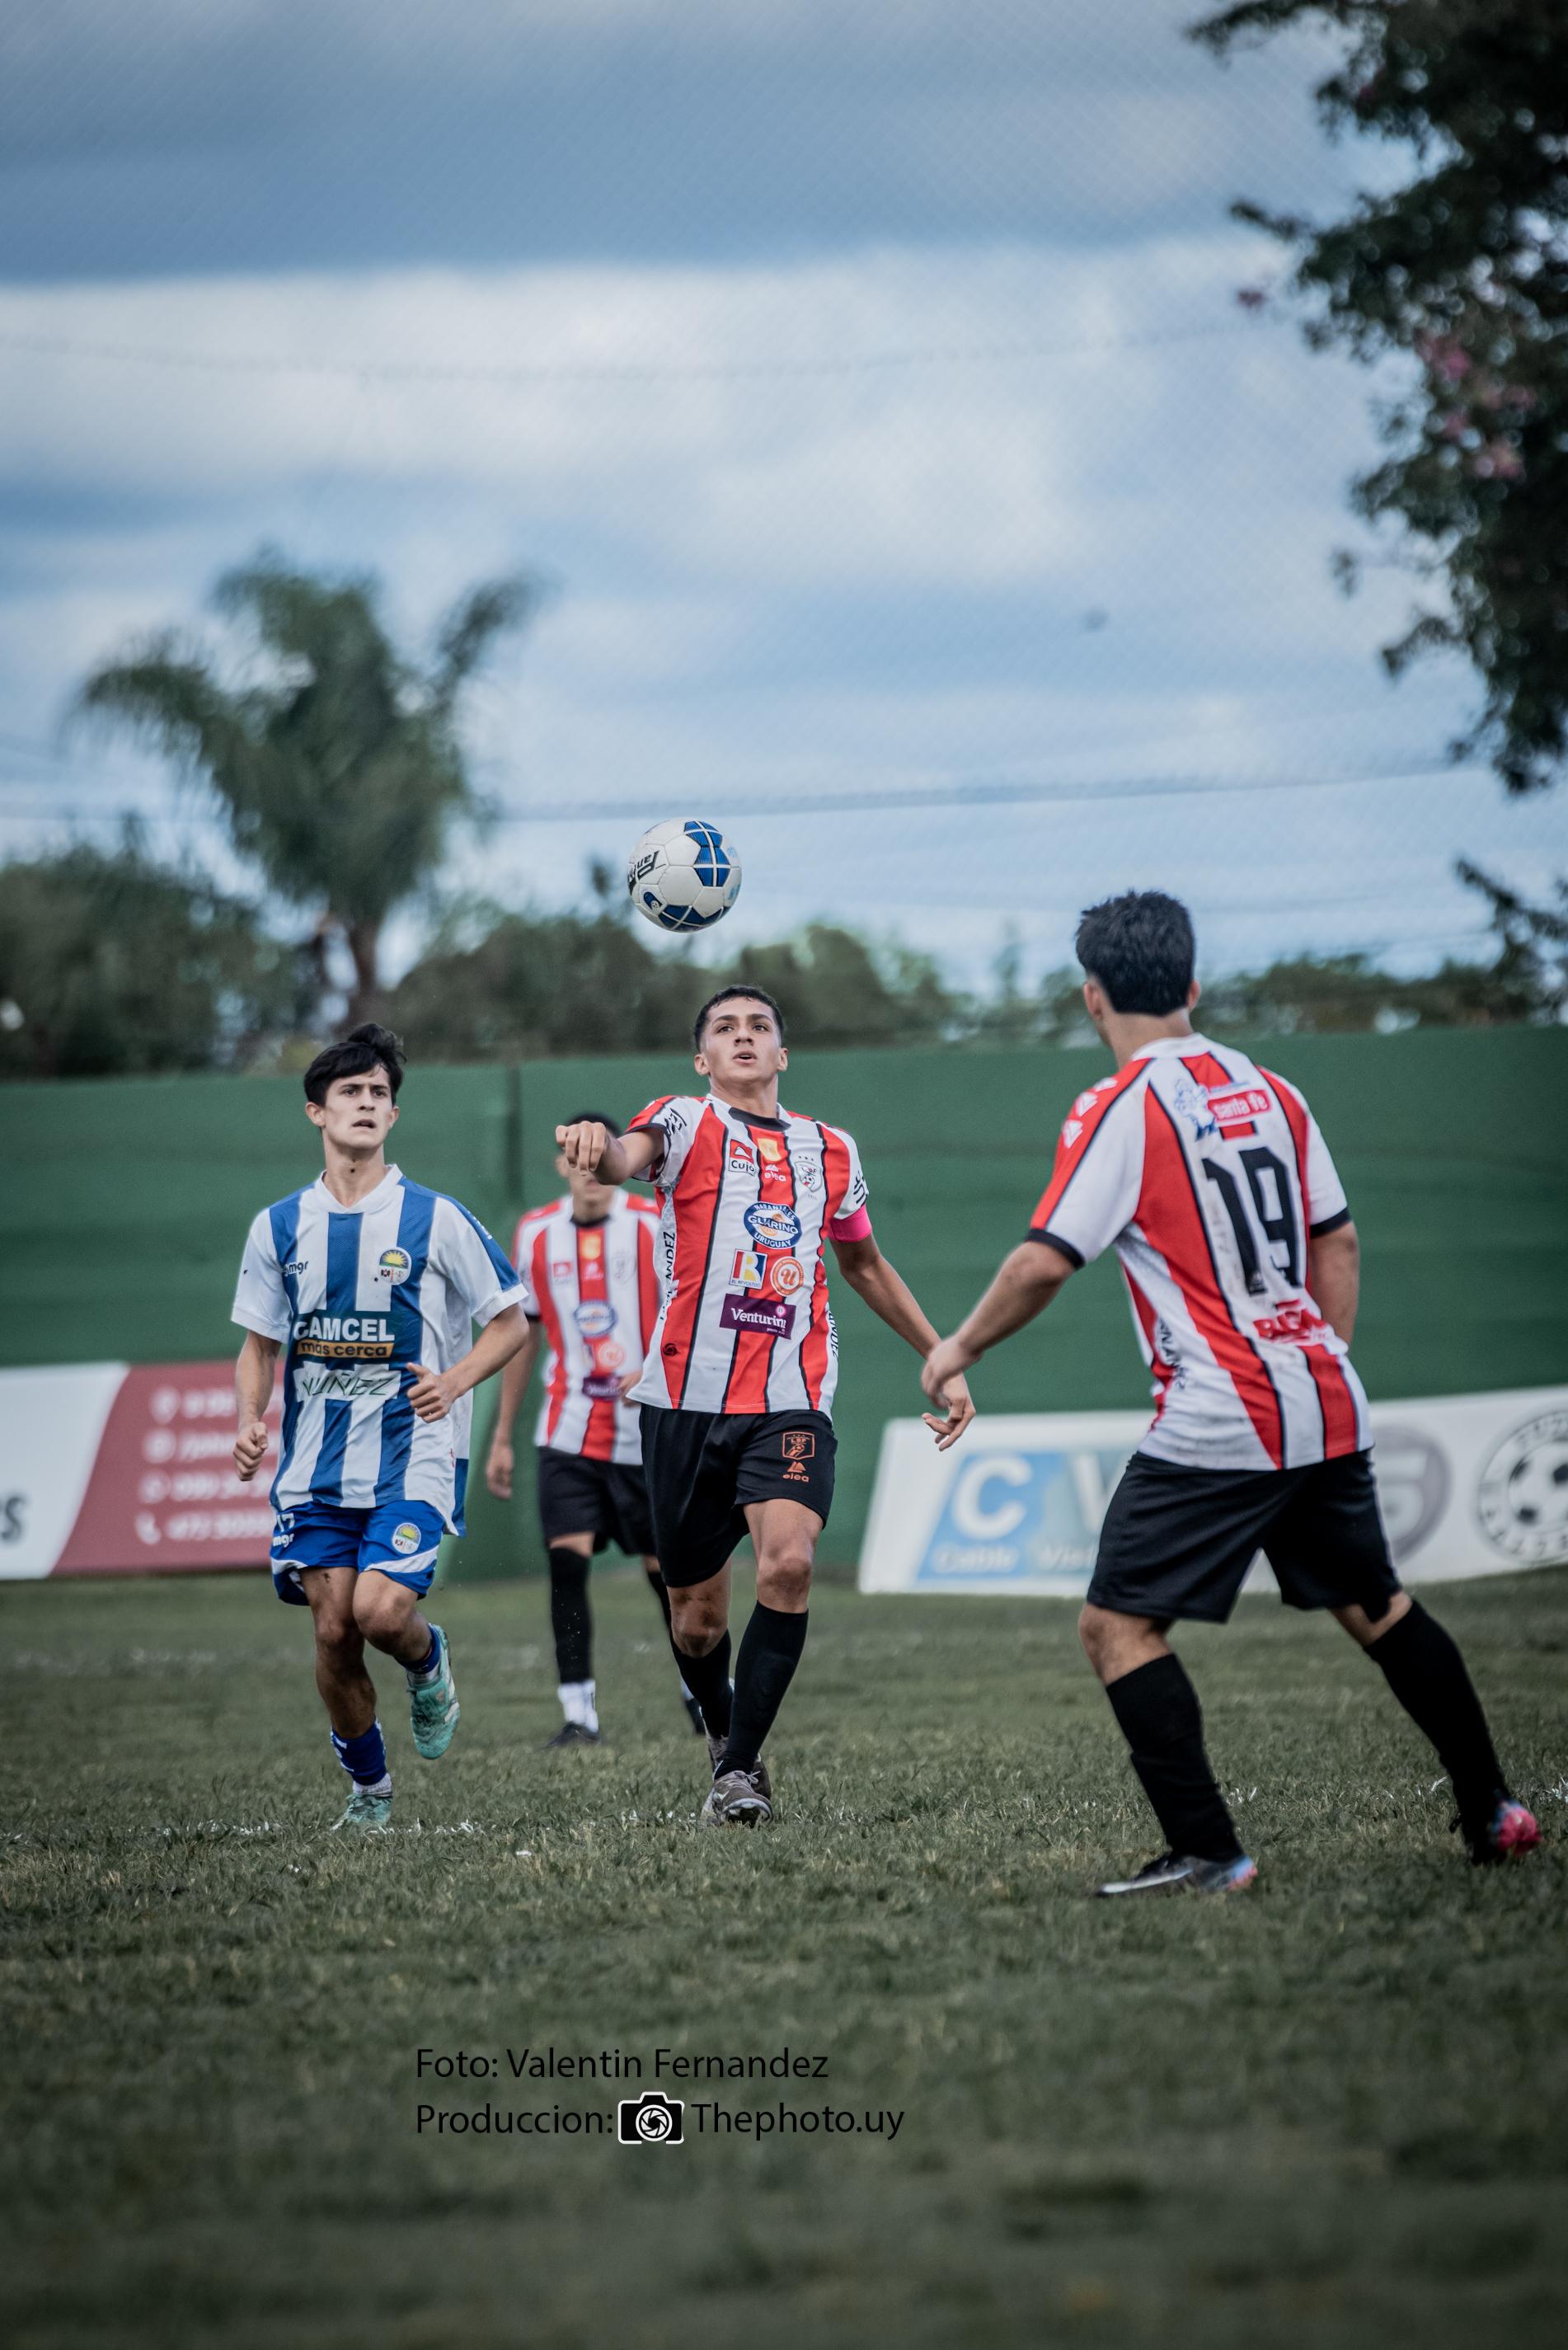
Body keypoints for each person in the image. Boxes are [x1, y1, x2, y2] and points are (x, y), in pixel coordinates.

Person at [922, 891, 1540, 1893]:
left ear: (1092, 997)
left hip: (1223, 1409)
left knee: (1117, 1627)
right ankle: (1495, 1809)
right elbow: (1338, 1241)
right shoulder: (1274, 1090)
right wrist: (1312, 1358)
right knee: (1378, 1606)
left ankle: (1210, 1852)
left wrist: (956, 1348)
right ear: (1195, 985)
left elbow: (1045, 1260)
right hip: (1323, 1394)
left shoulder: (1120, 1104)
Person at [557, 986, 976, 1829]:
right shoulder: (681, 1122)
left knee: (787, 1564)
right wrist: (597, 1150)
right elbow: (624, 1160)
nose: (743, 1038)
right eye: (725, 1028)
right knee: (696, 1621)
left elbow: (863, 1264)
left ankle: (739, 1770)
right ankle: (726, 1740)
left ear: (783, 1054)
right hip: (683, 1403)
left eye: (760, 1028)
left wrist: (941, 1354)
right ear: (702, 1059)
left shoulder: (832, 1150)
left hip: (792, 1399)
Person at [231, 1022, 530, 1831]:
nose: (366, 1103)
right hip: (316, 1469)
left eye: (379, 1094)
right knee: (334, 1632)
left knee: (381, 1613)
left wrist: (454, 1381)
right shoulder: (279, 1227)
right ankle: (370, 1793)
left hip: (414, 1455)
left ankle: (429, 1661)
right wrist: (249, 1420)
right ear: (316, 1112)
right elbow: (258, 1346)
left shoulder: (436, 1219)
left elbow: (510, 1321)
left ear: (393, 1116)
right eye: (350, 1091)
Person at [485, 1112, 706, 1748]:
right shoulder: (534, 1234)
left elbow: (690, 1309)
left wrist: (654, 1365)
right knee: (566, 1566)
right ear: (562, 1165)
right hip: (567, 1431)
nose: (587, 1171)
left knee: (668, 1576)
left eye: (598, 1157)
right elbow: (522, 1334)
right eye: (576, 1159)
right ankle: (579, 1714)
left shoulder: (651, 1225)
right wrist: (501, 1435)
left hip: (647, 1435)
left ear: (618, 1162)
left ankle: (699, 1692)